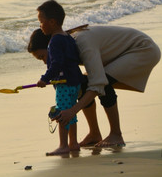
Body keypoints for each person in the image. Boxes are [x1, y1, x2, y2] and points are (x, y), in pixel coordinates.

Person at [28, 24, 160, 148]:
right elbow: (74, 83)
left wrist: (72, 111)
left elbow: (98, 84)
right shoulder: (66, 46)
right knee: (84, 84)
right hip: (119, 55)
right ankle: (94, 133)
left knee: (103, 84)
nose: (45, 62)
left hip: (142, 49)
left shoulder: (80, 43)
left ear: (52, 46)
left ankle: (116, 134)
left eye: (43, 56)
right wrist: (62, 105)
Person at [30, 0, 84, 155]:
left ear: (52, 22)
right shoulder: (67, 37)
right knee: (70, 112)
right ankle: (73, 143)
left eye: (41, 22)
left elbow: (56, 64)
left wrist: (44, 79)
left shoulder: (54, 41)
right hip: (75, 82)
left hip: (64, 84)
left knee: (62, 114)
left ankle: (63, 145)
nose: (40, 26)